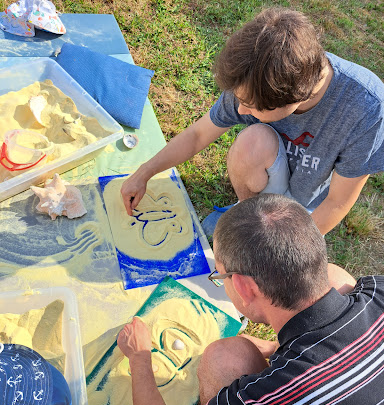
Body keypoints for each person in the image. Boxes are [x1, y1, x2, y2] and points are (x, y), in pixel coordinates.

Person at [117, 194, 384, 405]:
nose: (220, 282)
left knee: (221, 359)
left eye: (219, 277)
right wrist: (280, 350)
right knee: (339, 279)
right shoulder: (377, 291)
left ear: (244, 287)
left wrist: (139, 358)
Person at [121, 7, 384, 237]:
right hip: (269, 166)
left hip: (311, 204)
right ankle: (248, 214)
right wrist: (144, 173)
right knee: (251, 141)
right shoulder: (254, 74)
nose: (241, 108)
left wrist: (287, 249)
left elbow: (337, 203)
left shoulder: (366, 108)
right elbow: (198, 135)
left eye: (252, 106)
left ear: (295, 99)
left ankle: (278, 224)